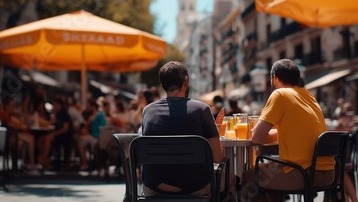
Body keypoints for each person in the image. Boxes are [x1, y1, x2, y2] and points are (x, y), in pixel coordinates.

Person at [241, 59, 334, 202]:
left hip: (303, 174)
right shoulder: (309, 96)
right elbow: (290, 131)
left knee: (250, 176)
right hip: (328, 174)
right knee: (271, 170)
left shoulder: (280, 94)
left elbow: (257, 138)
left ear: (274, 78)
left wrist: (257, 133)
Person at [141, 61, 225, 197]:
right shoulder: (201, 109)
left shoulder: (148, 111)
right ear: (186, 81)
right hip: (194, 188)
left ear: (163, 86)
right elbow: (217, 157)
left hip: (154, 187)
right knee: (232, 180)